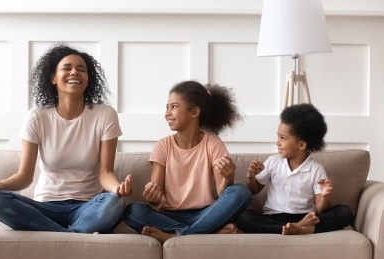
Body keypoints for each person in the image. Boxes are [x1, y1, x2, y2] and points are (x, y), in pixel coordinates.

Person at [0, 44, 132, 234]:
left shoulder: (105, 114)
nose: (75, 72)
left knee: (114, 202)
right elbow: (24, 176)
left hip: (87, 207)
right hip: (45, 207)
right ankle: (73, 235)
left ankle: (58, 235)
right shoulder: (37, 116)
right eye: (67, 68)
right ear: (52, 77)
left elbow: (106, 172)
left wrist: (117, 189)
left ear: (88, 79)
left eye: (81, 69)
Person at [124, 80, 251, 243]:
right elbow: (154, 199)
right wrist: (152, 196)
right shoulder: (163, 145)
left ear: (194, 112)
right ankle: (205, 232)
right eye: (167, 107)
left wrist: (228, 177)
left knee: (241, 191)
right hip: (168, 215)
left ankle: (178, 235)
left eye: (174, 106)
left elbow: (222, 193)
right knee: (133, 210)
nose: (167, 113)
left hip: (206, 213)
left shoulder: (213, 144)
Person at [236, 103, 353, 235]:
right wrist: (251, 176)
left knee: (345, 211)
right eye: (278, 136)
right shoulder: (273, 161)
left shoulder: (316, 169)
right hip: (274, 217)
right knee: (242, 217)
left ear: (301, 145)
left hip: (305, 217)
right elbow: (254, 189)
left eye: (283, 138)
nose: (277, 142)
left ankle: (299, 226)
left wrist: (325, 196)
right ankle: (299, 228)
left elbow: (321, 209)